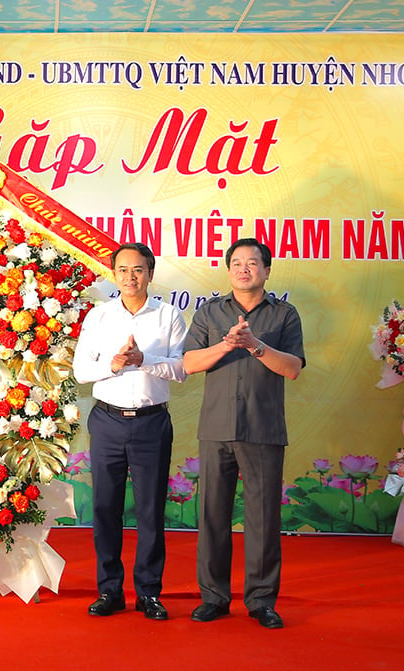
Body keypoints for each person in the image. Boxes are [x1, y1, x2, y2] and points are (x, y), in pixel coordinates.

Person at [183, 238, 304, 629]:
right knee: (212, 516)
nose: (244, 268)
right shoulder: (209, 313)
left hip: (263, 429)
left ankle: (261, 600)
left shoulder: (284, 315)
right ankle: (214, 597)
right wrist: (225, 345)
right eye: (237, 262)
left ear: (267, 271)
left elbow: (292, 368)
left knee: (263, 518)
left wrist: (255, 345)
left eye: (253, 263)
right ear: (228, 269)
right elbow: (188, 362)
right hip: (216, 427)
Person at [73, 242, 187, 621]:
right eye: (122, 270)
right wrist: (115, 363)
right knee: (106, 509)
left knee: (151, 510)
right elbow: (81, 372)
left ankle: (149, 593)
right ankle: (109, 590)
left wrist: (144, 360)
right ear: (114, 274)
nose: (130, 277)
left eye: (138, 270)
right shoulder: (99, 317)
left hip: (152, 422)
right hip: (106, 421)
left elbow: (180, 369)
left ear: (150, 274)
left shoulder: (170, 316)